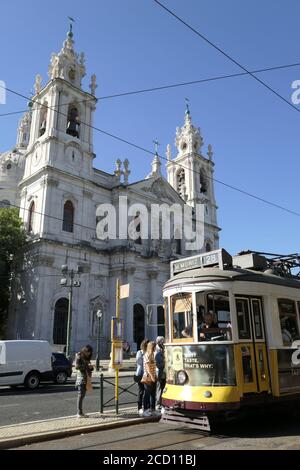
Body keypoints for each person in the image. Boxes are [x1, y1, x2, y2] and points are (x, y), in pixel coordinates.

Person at [75, 344, 93, 418]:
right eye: (88, 352)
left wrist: (91, 368)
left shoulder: (86, 358)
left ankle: (80, 412)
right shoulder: (79, 356)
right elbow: (77, 367)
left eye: (90, 353)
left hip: (86, 378)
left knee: (82, 396)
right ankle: (79, 413)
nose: (89, 354)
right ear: (85, 350)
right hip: (81, 379)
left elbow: (89, 368)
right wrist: (86, 365)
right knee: (80, 396)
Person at [142, 341, 157, 416]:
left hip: (152, 376)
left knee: (152, 394)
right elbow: (147, 368)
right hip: (148, 377)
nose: (156, 348)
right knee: (147, 394)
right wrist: (152, 376)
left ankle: (152, 409)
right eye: (155, 347)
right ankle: (145, 410)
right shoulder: (147, 355)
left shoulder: (152, 355)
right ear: (152, 347)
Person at [134, 338, 149, 415]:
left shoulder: (148, 353)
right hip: (140, 374)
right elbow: (139, 363)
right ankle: (139, 408)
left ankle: (146, 408)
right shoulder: (139, 352)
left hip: (147, 374)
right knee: (141, 392)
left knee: (147, 392)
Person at [155, 336, 166, 411]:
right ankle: (158, 404)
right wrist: (165, 362)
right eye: (163, 341)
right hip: (159, 372)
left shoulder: (162, 349)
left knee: (163, 387)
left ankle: (162, 403)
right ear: (159, 342)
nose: (164, 342)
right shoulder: (157, 351)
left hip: (163, 372)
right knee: (159, 388)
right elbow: (158, 363)